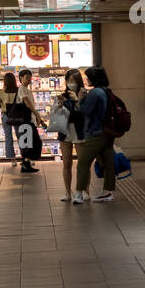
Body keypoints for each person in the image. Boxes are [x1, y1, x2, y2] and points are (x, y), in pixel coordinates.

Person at [72, 66, 115, 204]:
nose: (87, 79)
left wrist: (81, 98)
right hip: (107, 131)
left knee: (83, 163)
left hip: (95, 133)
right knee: (108, 162)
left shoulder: (95, 93)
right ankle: (107, 191)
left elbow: (85, 111)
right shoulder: (105, 91)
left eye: (88, 77)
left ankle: (78, 193)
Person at [54, 68, 84, 201]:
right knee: (67, 163)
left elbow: (85, 113)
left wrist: (77, 100)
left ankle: (83, 190)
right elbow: (57, 115)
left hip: (79, 131)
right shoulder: (63, 95)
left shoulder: (84, 94)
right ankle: (67, 191)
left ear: (79, 82)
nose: (71, 83)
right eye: (69, 80)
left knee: (83, 163)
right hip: (65, 131)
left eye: (74, 81)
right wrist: (59, 105)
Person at [0, 72, 18, 167]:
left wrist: (3, 104)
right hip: (17, 115)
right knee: (20, 136)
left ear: (5, 82)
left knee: (8, 136)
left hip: (6, 115)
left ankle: (12, 159)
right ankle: (26, 157)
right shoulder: (18, 91)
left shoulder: (2, 92)